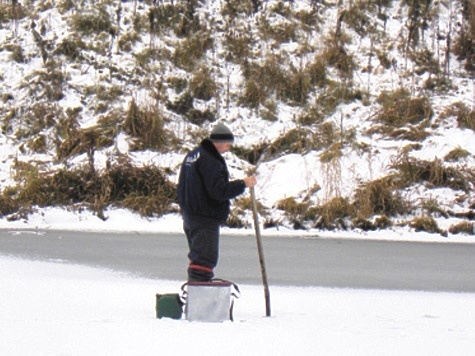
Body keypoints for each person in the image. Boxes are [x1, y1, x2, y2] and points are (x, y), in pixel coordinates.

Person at [177, 123, 257, 282]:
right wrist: (243, 184)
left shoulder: (193, 155)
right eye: (228, 145)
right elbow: (219, 191)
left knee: (198, 258)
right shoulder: (210, 160)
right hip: (204, 217)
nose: (228, 149)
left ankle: (197, 297)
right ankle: (200, 300)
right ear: (219, 142)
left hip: (190, 216)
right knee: (204, 261)